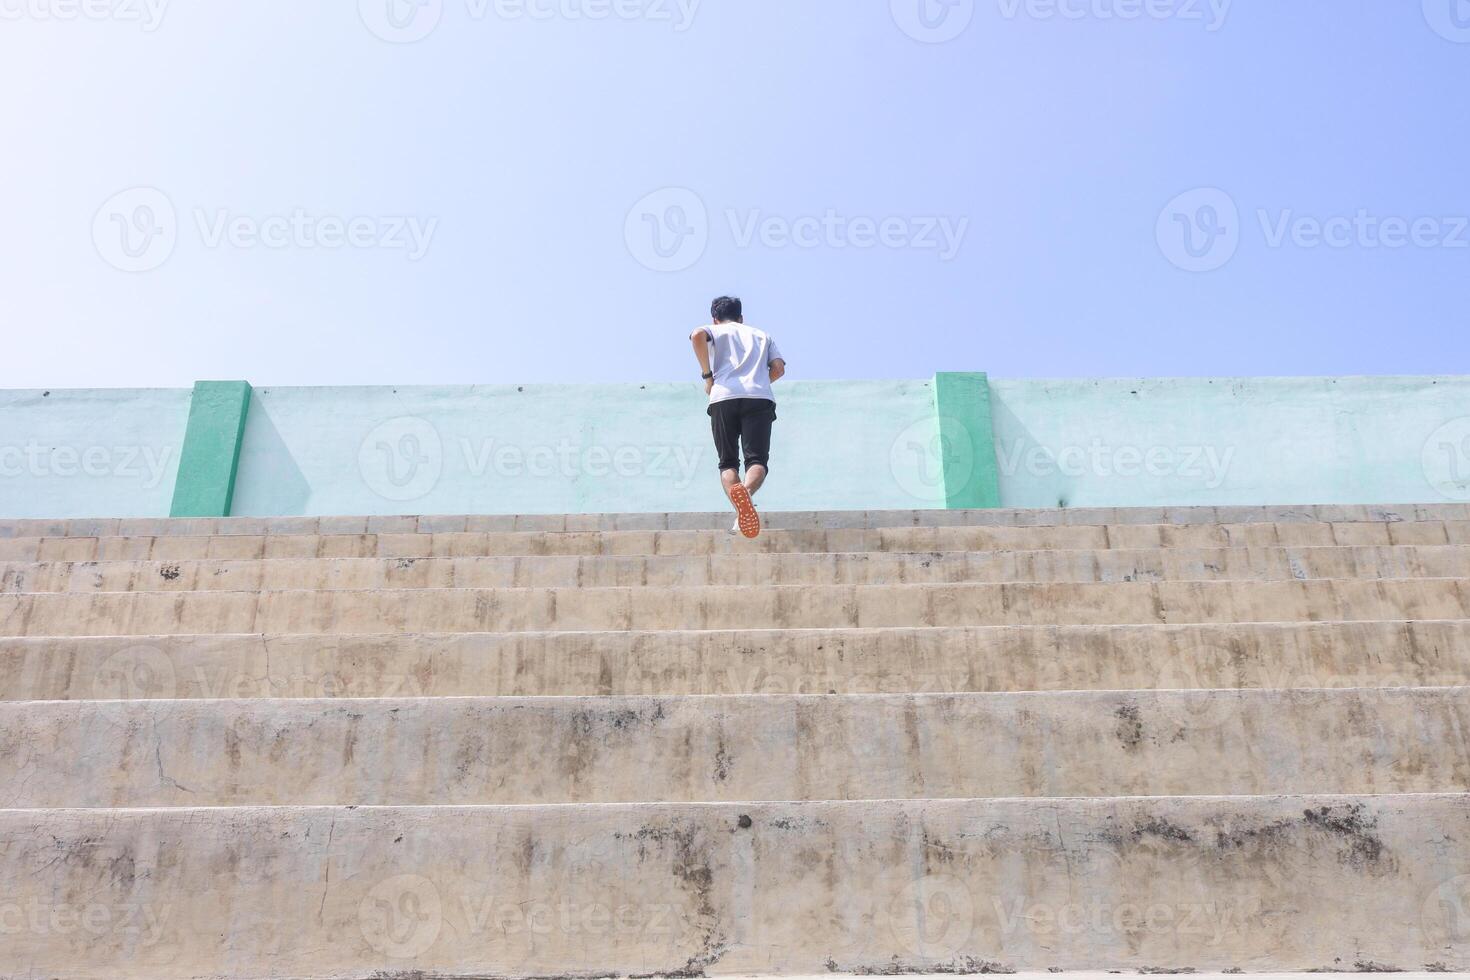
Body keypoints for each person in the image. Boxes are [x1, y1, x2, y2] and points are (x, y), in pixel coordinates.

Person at [689, 296, 786, 538]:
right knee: (757, 461)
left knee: (728, 462)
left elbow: (696, 335)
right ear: (741, 317)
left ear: (715, 318)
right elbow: (779, 369)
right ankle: (747, 493)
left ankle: (740, 507)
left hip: (723, 397)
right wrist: (760, 383)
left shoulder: (716, 330)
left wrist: (707, 376)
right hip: (759, 398)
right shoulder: (762, 335)